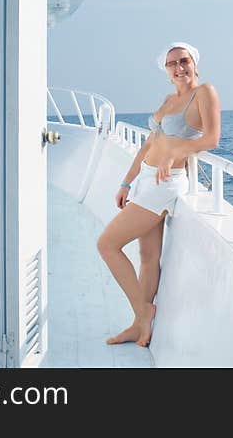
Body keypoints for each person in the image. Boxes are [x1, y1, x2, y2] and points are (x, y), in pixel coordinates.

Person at [96, 42, 221, 347]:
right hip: (145, 180)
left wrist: (175, 152)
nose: (179, 68)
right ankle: (140, 327)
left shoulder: (204, 92)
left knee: (107, 244)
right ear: (166, 70)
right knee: (148, 257)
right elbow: (150, 143)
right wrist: (127, 182)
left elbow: (212, 138)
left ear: (194, 62)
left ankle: (143, 312)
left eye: (184, 61)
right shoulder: (168, 99)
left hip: (166, 183)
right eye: (172, 64)